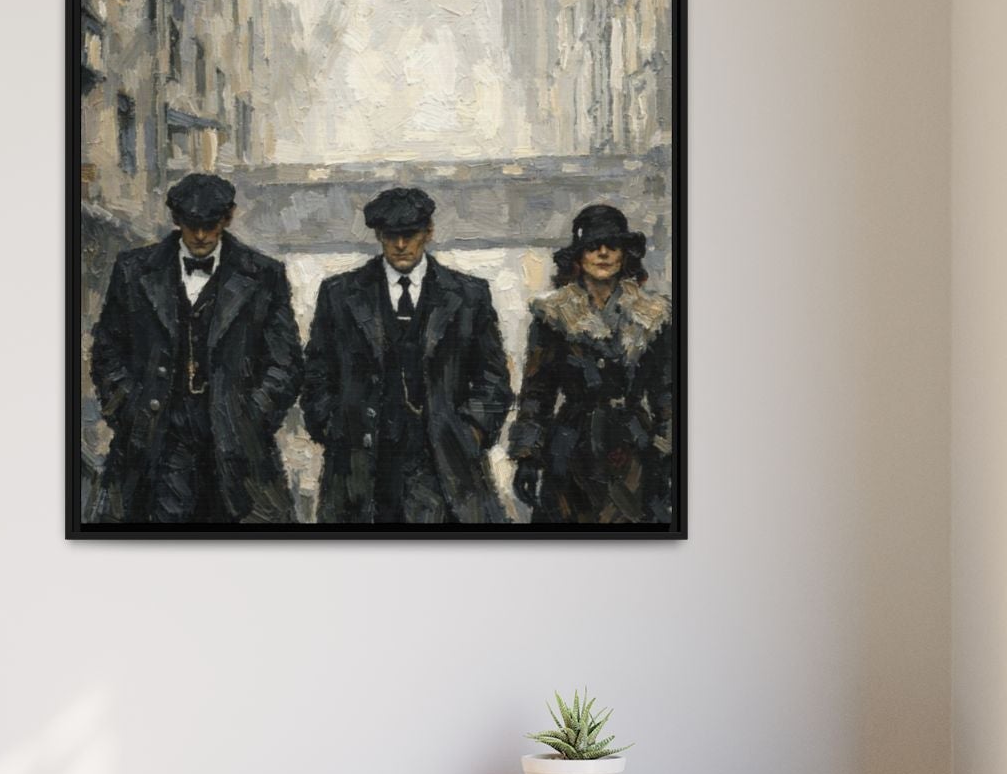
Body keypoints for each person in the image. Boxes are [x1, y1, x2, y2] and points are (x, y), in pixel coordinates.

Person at [88, 171, 303, 523]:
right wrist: (130, 412)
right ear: (176, 220)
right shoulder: (133, 270)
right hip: (154, 447)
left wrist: (251, 418)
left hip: (238, 453)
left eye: (210, 224)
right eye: (192, 225)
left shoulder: (264, 274)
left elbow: (285, 364)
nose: (201, 236)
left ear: (228, 218)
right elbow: (107, 353)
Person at [301, 186, 513, 524]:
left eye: (410, 234)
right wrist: (334, 428)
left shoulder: (469, 295)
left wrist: (470, 432)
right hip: (361, 469)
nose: (401, 245)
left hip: (445, 467)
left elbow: (494, 379)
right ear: (379, 236)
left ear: (428, 232)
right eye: (391, 235)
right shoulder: (339, 294)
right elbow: (316, 375)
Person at [507, 203, 673, 525]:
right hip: (571, 449)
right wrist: (527, 455)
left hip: (635, 448)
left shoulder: (654, 315)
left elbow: (667, 393)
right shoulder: (552, 315)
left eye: (612, 245)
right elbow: (537, 393)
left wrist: (668, 451)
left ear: (625, 254)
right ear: (579, 256)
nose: (603, 253)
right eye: (592, 246)